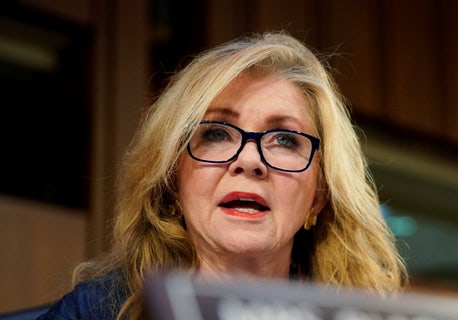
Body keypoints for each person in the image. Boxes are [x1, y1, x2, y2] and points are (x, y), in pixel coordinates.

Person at [37, 30, 407, 320]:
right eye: (216, 133)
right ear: (171, 180)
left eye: (285, 139)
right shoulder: (96, 313)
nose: (249, 161)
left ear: (319, 196)